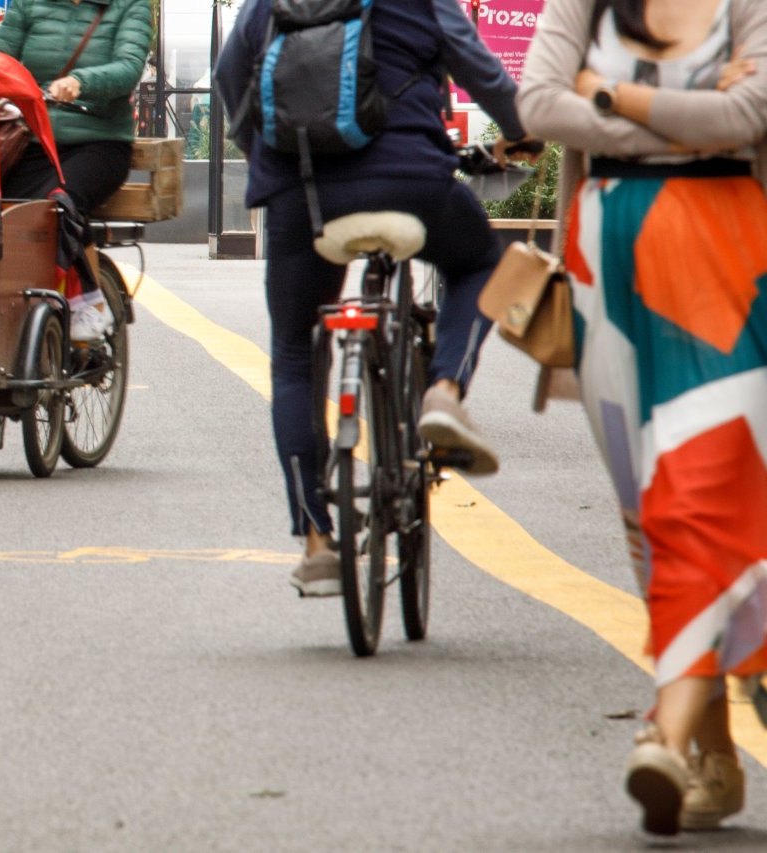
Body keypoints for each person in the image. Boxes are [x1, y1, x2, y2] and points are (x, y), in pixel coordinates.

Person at [517, 0, 767, 837]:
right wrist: (685, 122)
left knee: (696, 490)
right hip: (606, 275)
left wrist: (611, 99)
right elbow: (537, 103)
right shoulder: (582, 3)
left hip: (726, 258)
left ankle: (666, 731)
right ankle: (715, 756)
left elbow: (751, 114)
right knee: (646, 518)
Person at [214, 0, 532, 595]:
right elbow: (481, 73)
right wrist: (520, 132)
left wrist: (267, 151)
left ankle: (316, 542)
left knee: (292, 356)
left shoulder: (267, 4)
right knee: (482, 261)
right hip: (411, 180)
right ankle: (443, 390)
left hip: (300, 193)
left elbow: (232, 81)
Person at [0, 0, 152, 450]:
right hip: (30, 141)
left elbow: (128, 65)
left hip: (98, 145)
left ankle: (88, 308)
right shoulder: (27, 4)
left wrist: (82, 82)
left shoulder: (131, 6)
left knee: (58, 209)